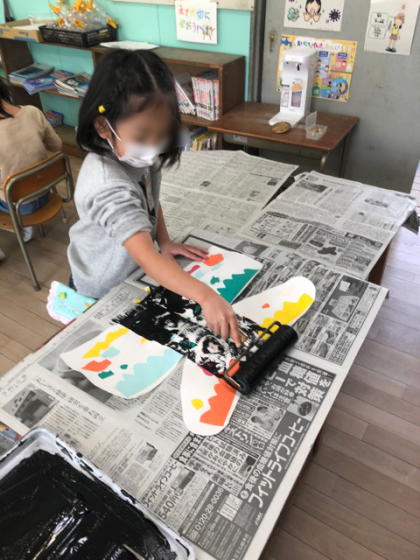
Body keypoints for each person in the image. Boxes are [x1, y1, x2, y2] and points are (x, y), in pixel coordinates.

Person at [68, 49, 241, 346]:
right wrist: (206, 296)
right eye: (142, 136)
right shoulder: (107, 186)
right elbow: (147, 258)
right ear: (103, 125)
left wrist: (165, 241)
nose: (152, 146)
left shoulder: (138, 155)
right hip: (101, 287)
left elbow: (148, 198)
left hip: (132, 270)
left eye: (161, 135)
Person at [0, 79, 63, 258]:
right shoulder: (33, 112)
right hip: (44, 191)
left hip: (17, 205)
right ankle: (28, 225)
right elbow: (56, 145)